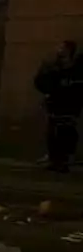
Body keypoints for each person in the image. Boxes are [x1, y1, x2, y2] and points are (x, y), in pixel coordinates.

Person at [35, 40, 83, 172]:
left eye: (62, 48)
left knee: (66, 131)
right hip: (56, 105)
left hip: (69, 105)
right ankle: (54, 159)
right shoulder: (54, 67)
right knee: (53, 132)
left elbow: (76, 86)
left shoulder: (76, 69)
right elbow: (43, 82)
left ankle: (64, 159)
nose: (59, 50)